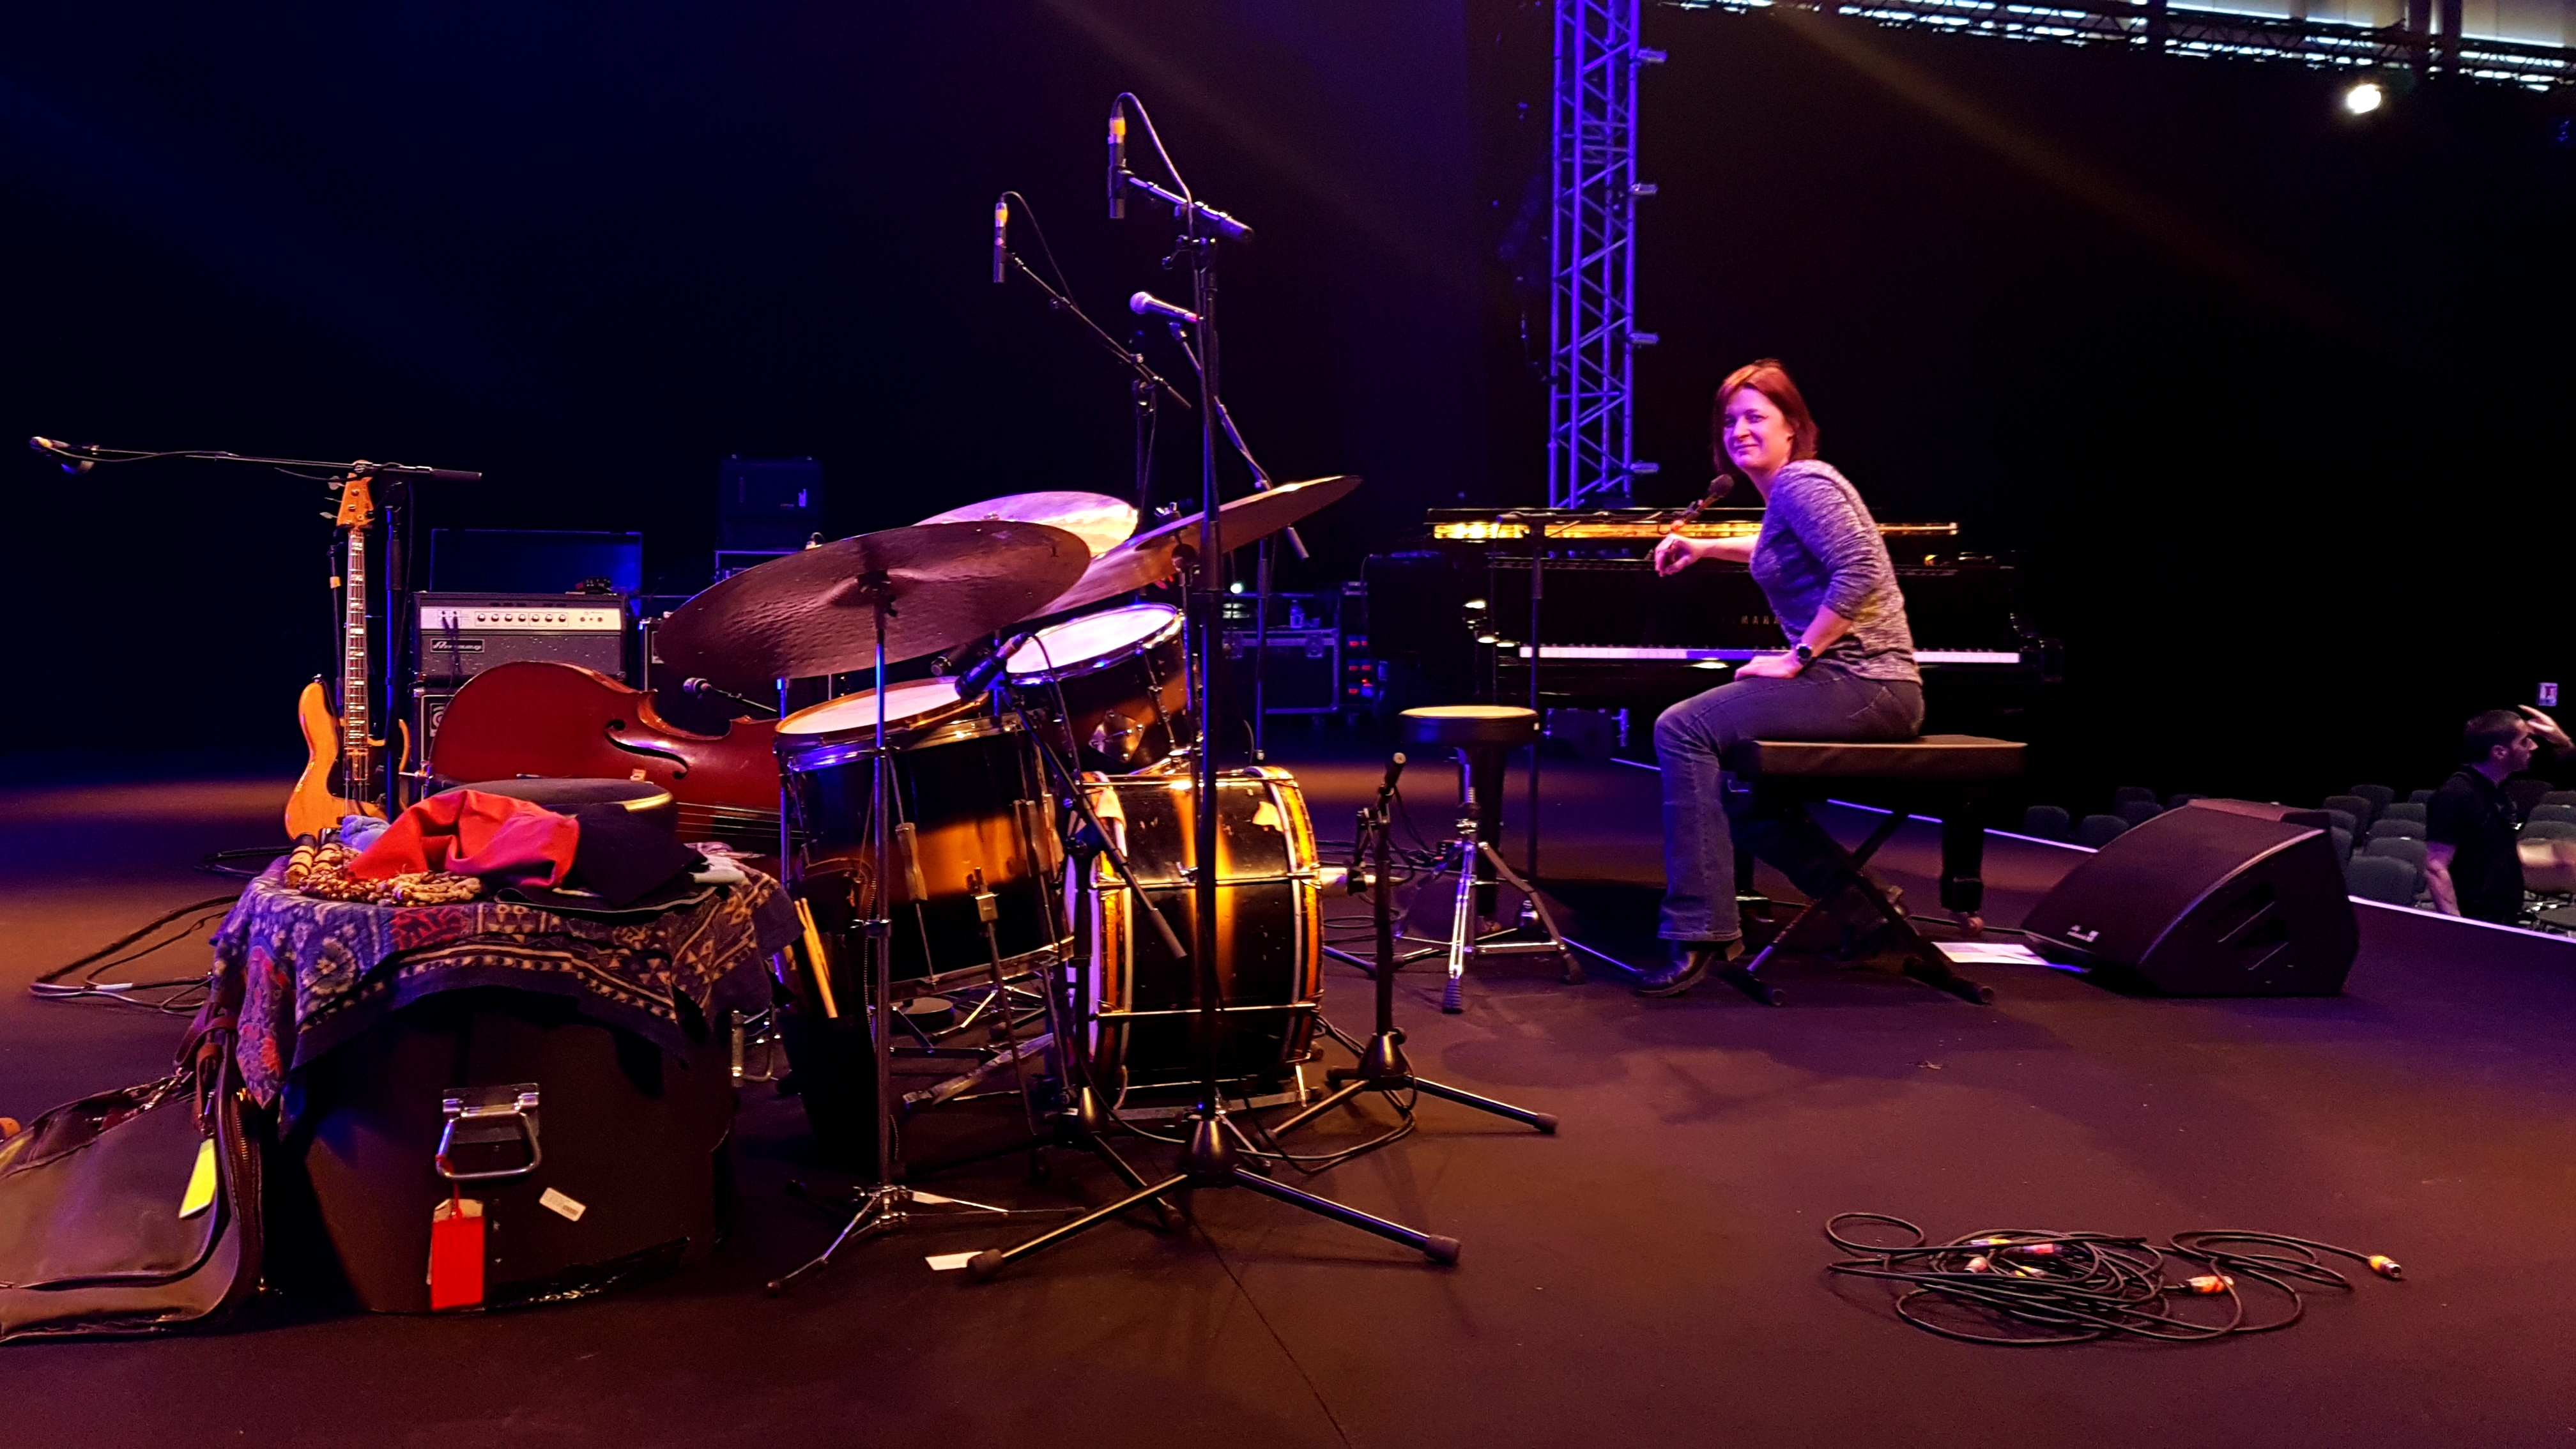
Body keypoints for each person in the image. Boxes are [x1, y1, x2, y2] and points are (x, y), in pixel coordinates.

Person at [1634, 360, 1923, 996]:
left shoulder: (1803, 483)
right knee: (1746, 805)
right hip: (1862, 685)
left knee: (1682, 730)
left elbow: (1860, 570)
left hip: (1866, 684)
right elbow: (1772, 544)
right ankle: (1873, 921)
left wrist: (1797, 658)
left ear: (1793, 426)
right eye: (1730, 420)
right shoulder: (1788, 497)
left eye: (1756, 417)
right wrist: (1707, 546)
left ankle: (1699, 935)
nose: (1740, 430)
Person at [2425, 705, 2568, 923]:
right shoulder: (2456, 794)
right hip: (2476, 921)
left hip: (2502, 916)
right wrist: (2457, 927)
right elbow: (2436, 867)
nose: (2534, 747)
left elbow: (2489, 853)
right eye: (2524, 741)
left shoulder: (2497, 792)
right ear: (2499, 752)